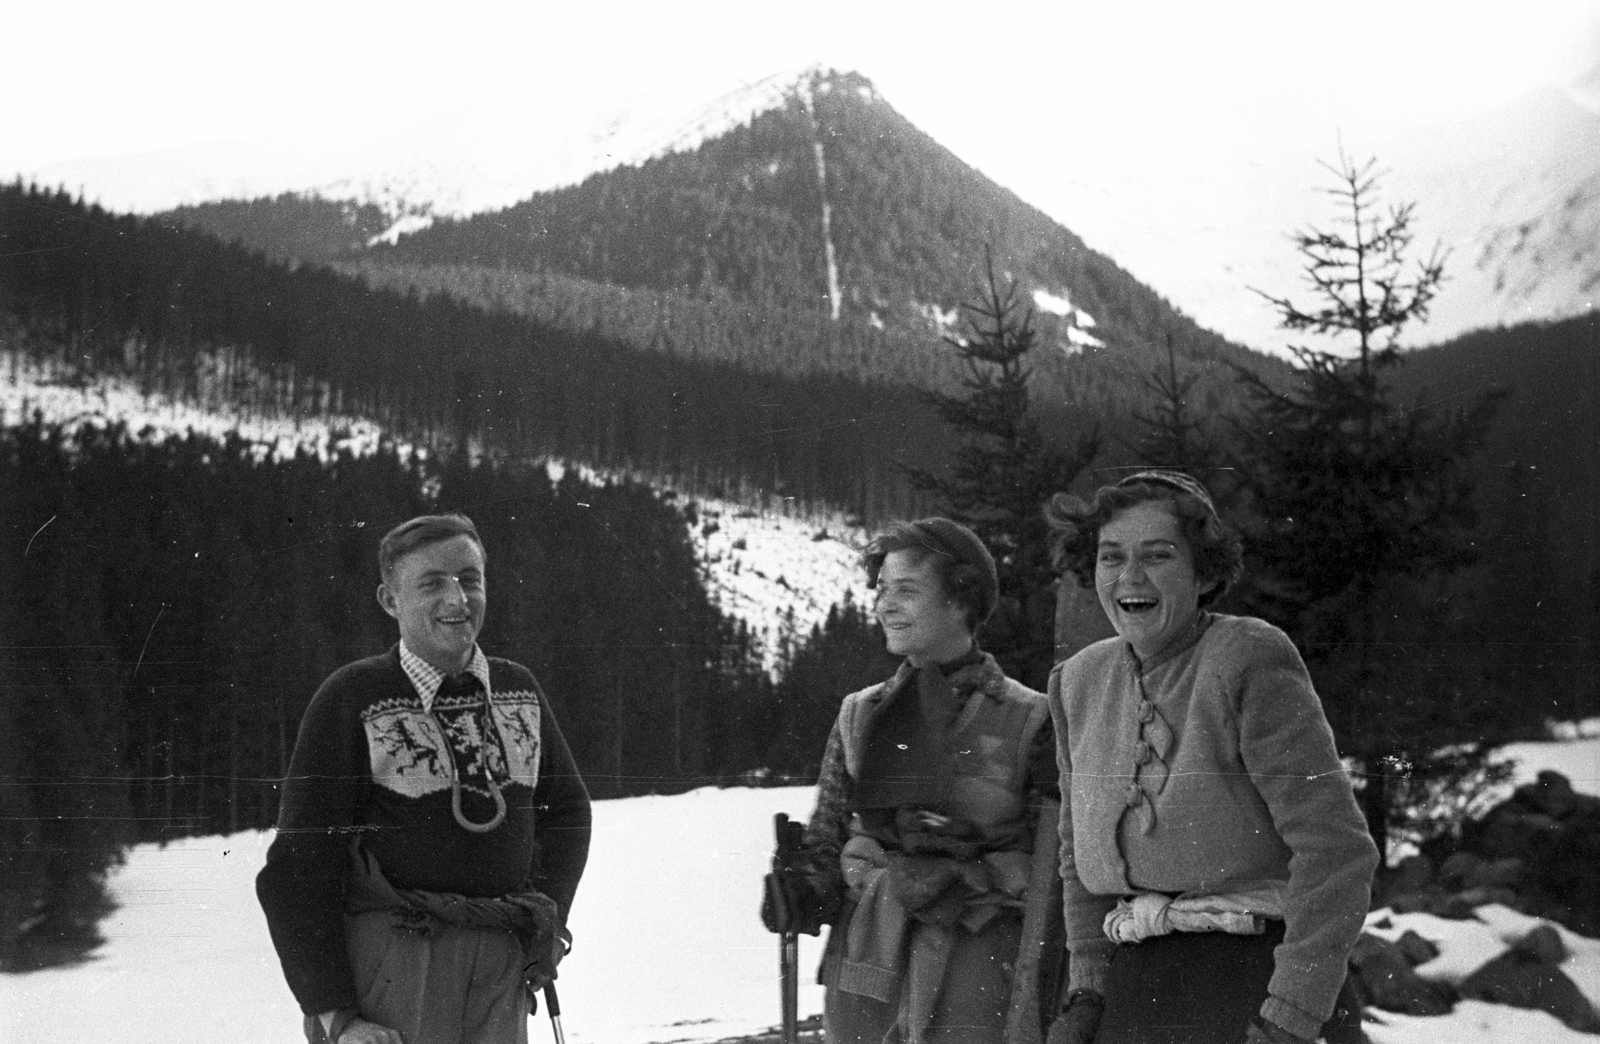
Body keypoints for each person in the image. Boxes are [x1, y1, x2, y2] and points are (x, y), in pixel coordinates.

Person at [1042, 472, 1379, 1044]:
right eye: (1110, 557)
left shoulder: (1247, 657)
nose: (1130, 577)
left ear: (1204, 571)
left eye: (1158, 555)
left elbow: (1337, 851)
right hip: (1135, 994)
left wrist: (1289, 1019)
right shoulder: (1077, 683)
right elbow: (1080, 865)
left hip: (1252, 982)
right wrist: (1087, 992)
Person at [257, 513, 592, 1044]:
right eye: (432, 583)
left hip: (502, 964)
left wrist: (545, 922)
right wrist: (336, 1015)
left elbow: (569, 812)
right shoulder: (352, 696)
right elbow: (298, 867)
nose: (457, 599)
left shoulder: (518, 689)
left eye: (470, 578)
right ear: (390, 601)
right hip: (397, 965)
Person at [764, 518, 1062, 1044]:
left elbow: (1050, 870)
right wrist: (804, 888)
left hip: (979, 966)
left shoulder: (1030, 719)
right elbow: (827, 837)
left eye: (906, 591)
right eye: (881, 591)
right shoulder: (860, 714)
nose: (885, 606)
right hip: (867, 965)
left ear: (960, 600)